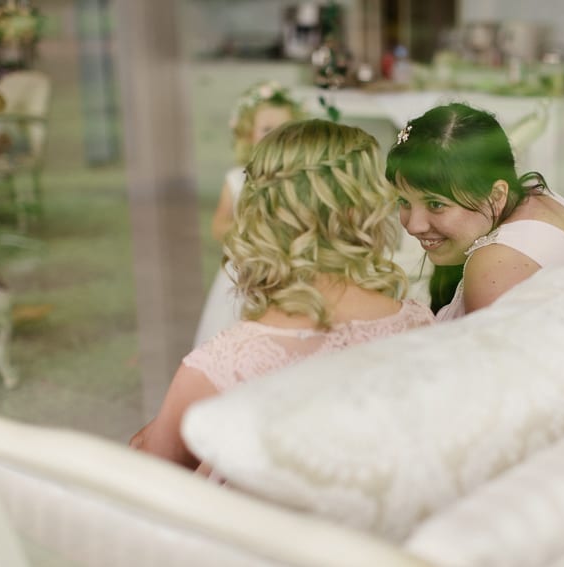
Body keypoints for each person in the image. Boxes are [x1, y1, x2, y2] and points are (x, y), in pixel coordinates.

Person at [130, 119, 436, 469]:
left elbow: (149, 479)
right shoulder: (418, 324)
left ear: (259, 214)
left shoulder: (221, 367)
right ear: (366, 207)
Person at [385, 102, 564, 320]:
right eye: (404, 201)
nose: (414, 226)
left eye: (436, 204)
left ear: (497, 196)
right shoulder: (535, 197)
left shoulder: (494, 266)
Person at [194, 81, 303, 346]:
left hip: (290, 267)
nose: (276, 136)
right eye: (267, 129)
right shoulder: (237, 179)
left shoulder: (300, 178)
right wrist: (250, 232)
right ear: (248, 135)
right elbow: (218, 226)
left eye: (285, 129)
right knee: (240, 333)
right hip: (247, 271)